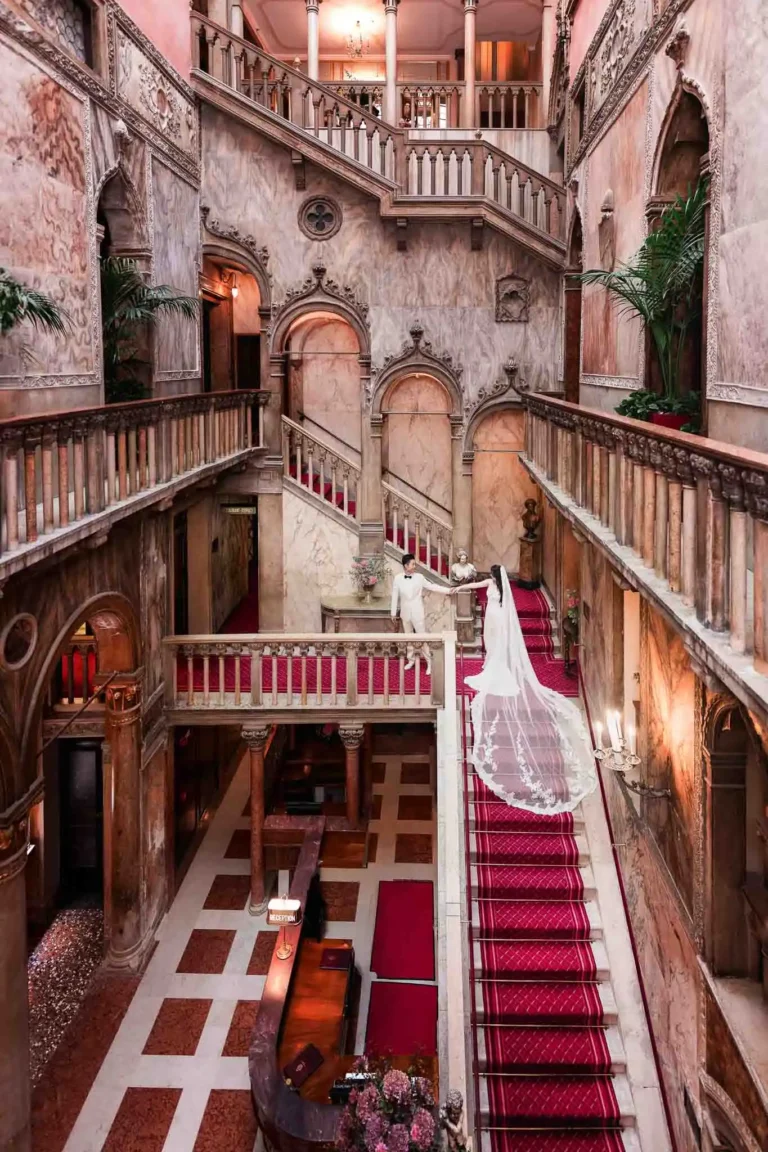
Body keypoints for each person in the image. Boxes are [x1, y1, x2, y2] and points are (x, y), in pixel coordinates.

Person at [449, 564, 597, 813]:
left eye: (492, 574)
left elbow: (493, 600)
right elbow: (475, 584)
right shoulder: (496, 587)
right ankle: (494, 661)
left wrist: (460, 588)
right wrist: (459, 587)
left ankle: (496, 664)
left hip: (495, 618)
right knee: (491, 643)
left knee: (494, 644)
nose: (490, 577)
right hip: (492, 617)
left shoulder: (499, 589)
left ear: (495, 577)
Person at [391, 553, 452, 673]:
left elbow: (432, 586)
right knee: (408, 637)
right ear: (406, 566)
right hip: (405, 613)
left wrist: (448, 590)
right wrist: (393, 613)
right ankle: (411, 660)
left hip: (418, 612)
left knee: (422, 637)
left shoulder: (419, 577)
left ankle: (429, 662)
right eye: (413, 564)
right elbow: (395, 596)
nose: (415, 566)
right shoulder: (398, 578)